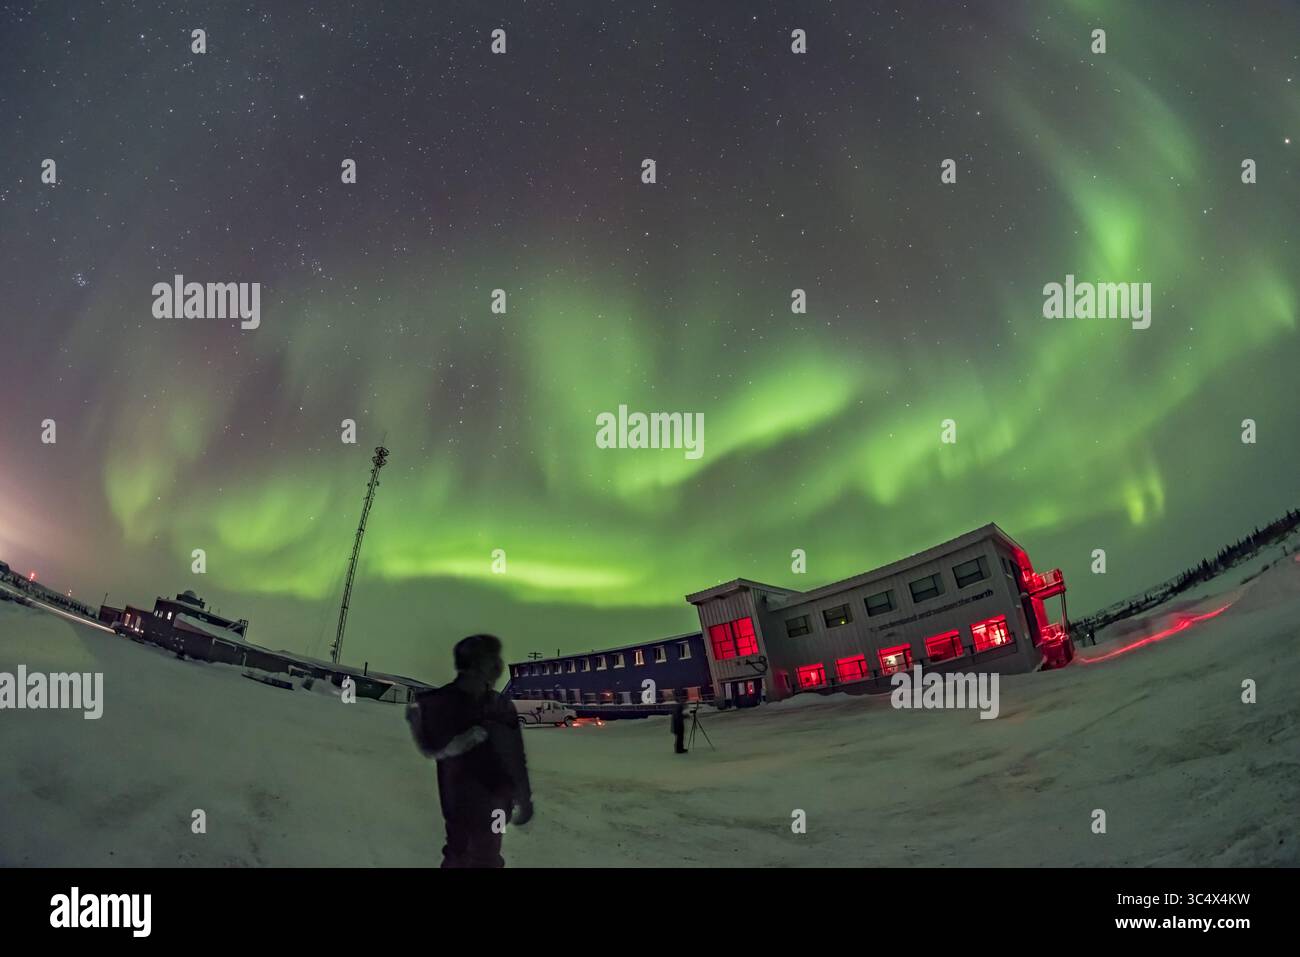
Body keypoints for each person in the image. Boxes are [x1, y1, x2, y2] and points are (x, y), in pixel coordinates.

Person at [407, 634, 533, 868]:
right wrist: (457, 742)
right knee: (461, 853)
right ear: (476, 665)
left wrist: (524, 798)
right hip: (460, 803)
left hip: (497, 803)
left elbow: (516, 756)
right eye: (492, 659)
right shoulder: (440, 702)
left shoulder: (501, 705)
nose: (498, 666)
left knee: (488, 855)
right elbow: (430, 748)